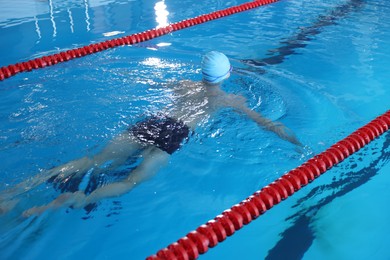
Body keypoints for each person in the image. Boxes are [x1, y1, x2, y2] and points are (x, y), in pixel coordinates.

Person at [0, 51, 301, 217]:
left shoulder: (184, 84)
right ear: (227, 76)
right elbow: (266, 123)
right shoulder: (229, 100)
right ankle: (74, 200)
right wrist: (292, 139)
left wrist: (119, 71)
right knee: (131, 181)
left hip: (152, 122)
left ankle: (12, 192)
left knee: (91, 159)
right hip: (175, 134)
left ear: (201, 72)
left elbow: (148, 81)